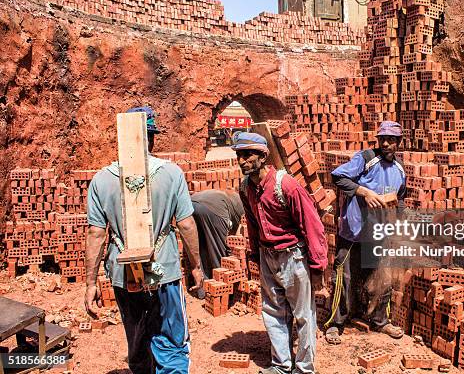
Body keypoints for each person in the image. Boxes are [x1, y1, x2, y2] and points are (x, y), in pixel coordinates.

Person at [84, 106, 204, 374]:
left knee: (137, 340)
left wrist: (90, 283)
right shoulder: (171, 174)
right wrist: (196, 267)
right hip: (164, 272)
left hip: (123, 275)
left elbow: (95, 233)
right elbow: (185, 223)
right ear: (152, 138)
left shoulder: (101, 180)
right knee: (172, 340)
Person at [233, 132, 327, 374]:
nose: (242, 160)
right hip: (267, 256)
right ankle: (281, 365)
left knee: (303, 315)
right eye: (239, 155)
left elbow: (312, 225)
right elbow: (253, 224)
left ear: (263, 156)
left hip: (293, 257)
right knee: (273, 312)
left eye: (247, 155)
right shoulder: (246, 188)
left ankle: (305, 368)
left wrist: (317, 267)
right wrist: (255, 255)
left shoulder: (286, 185)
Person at [324, 120, 407, 345]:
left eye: (391, 140)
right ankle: (336, 323)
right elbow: (338, 176)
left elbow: (399, 199)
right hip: (353, 231)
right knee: (344, 278)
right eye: (382, 139)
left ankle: (380, 321)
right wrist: (364, 193)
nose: (386, 143)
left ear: (399, 142)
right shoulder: (366, 158)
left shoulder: (400, 169)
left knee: (382, 277)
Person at [190, 189, 244, 279]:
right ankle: (222, 282)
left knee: (201, 247)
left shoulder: (234, 197)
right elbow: (238, 235)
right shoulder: (246, 208)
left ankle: (203, 287)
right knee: (218, 249)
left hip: (191, 203)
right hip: (214, 206)